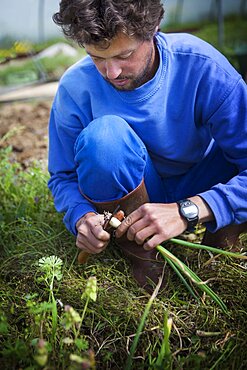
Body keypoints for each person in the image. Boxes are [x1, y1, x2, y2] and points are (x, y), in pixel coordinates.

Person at [48, 0, 247, 292]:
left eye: (124, 55)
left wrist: (188, 210)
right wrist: (82, 217)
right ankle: (143, 256)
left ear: (153, 30)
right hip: (131, 198)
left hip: (201, 182)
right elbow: (63, 176)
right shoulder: (76, 88)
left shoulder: (201, 66)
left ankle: (221, 241)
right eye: (96, 58)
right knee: (103, 138)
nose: (111, 72)